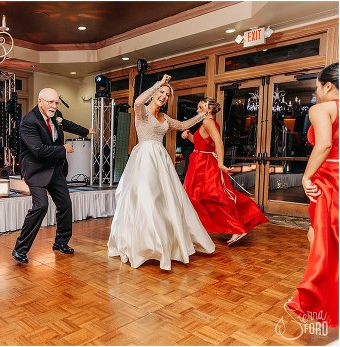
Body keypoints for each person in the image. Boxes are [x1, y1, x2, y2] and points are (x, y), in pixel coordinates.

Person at [107, 74, 215, 270]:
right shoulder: (142, 112)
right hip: (144, 159)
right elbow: (138, 100)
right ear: (154, 93)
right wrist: (160, 83)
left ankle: (164, 244)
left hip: (161, 160)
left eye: (167, 94)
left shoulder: (164, 117)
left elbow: (182, 126)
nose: (164, 96)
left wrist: (202, 116)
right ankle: (144, 245)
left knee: (166, 202)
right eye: (162, 92)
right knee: (147, 200)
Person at [12, 88, 93, 264]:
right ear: (40, 101)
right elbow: (38, 150)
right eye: (51, 102)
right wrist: (63, 149)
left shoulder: (56, 114)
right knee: (41, 206)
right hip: (36, 170)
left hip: (55, 169)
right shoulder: (28, 122)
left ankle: (61, 242)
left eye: (56, 103)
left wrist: (85, 131)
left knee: (65, 204)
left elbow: (66, 123)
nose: (54, 106)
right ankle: (20, 249)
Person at [288, 62, 338, 328]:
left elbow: (325, 144)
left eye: (317, 85)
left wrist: (307, 176)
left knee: (320, 237)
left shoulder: (321, 109)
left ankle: (322, 297)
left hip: (330, 179)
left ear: (327, 85)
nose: (317, 91)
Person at [181, 97, 268, 245]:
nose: (197, 110)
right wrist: (189, 136)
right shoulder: (210, 123)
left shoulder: (208, 122)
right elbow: (203, 144)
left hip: (204, 165)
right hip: (200, 161)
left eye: (200, 107)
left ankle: (236, 228)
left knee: (210, 196)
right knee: (199, 197)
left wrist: (220, 164)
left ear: (208, 110)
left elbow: (219, 143)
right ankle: (195, 230)